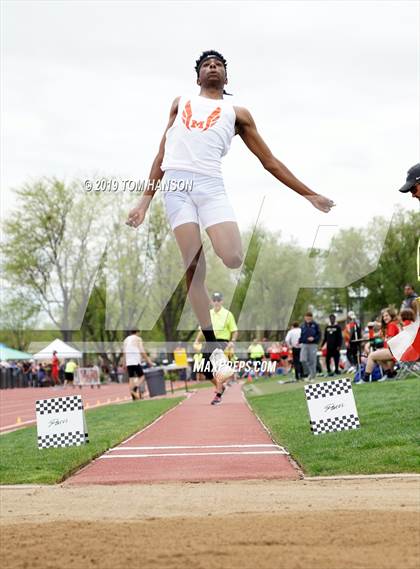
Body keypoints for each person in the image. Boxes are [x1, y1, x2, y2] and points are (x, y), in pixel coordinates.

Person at [126, 50, 335, 403]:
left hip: (210, 186)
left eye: (218, 64)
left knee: (234, 257)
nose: (212, 67)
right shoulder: (180, 103)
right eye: (206, 64)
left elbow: (269, 161)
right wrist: (144, 201)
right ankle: (213, 347)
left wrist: (309, 194)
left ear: (226, 77)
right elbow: (161, 156)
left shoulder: (237, 114)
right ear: (197, 78)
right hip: (176, 187)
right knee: (193, 266)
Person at [194, 291, 238, 403]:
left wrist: (232, 341)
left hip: (222, 343)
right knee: (204, 368)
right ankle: (221, 387)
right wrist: (197, 340)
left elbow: (234, 331)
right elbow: (202, 330)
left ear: (222, 301)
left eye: (218, 300)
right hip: (209, 342)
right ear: (212, 301)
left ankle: (218, 394)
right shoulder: (208, 314)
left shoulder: (228, 314)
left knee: (219, 367)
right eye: (214, 300)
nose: (216, 302)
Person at [360, 307, 400, 382]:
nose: (385, 318)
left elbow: (390, 341)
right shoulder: (389, 326)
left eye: (387, 315)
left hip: (393, 351)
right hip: (393, 351)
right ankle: (390, 375)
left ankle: (365, 379)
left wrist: (383, 343)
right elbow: (379, 334)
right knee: (376, 357)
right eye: (384, 316)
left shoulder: (391, 325)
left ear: (391, 315)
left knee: (372, 355)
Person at [122, 330, 153, 400]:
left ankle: (133, 396)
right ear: (138, 332)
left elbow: (124, 352)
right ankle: (134, 388)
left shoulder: (126, 340)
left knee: (131, 378)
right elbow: (142, 351)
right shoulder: (138, 339)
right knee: (142, 376)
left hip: (129, 361)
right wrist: (148, 361)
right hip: (135, 360)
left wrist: (124, 363)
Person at [299, 312, 321, 381]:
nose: (308, 319)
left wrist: (314, 338)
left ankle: (312, 377)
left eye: (309, 318)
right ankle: (310, 373)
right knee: (303, 359)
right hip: (304, 344)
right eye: (306, 317)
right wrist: (299, 341)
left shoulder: (315, 325)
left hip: (313, 345)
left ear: (311, 318)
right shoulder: (302, 325)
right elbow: (301, 335)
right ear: (304, 318)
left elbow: (319, 335)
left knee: (312, 361)